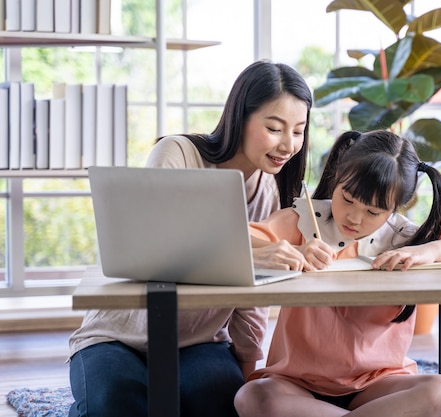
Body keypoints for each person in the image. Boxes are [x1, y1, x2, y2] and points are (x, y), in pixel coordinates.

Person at [67, 60, 314, 417]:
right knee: (115, 403)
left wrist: (246, 377)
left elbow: (252, 301)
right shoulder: (178, 152)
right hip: (115, 337)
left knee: (218, 403)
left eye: (298, 130)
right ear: (238, 118)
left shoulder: (268, 193)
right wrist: (251, 253)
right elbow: (153, 238)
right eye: (274, 128)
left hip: (199, 343)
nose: (287, 144)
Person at [234, 129, 441, 417]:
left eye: (373, 212)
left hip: (378, 385)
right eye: (347, 199)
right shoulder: (300, 223)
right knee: (254, 396)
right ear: (337, 178)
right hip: (296, 384)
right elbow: (232, 237)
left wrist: (428, 252)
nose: (354, 218)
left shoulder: (404, 239)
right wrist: (294, 251)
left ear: (397, 207)